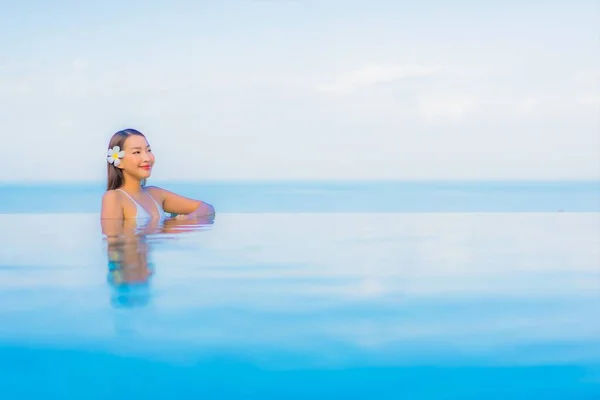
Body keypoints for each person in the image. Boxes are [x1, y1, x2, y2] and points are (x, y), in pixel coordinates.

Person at [100, 128, 215, 223]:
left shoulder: (155, 194)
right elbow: (114, 246)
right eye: (137, 152)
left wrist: (187, 219)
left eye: (148, 150)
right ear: (119, 161)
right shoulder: (114, 197)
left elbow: (207, 208)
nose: (147, 158)